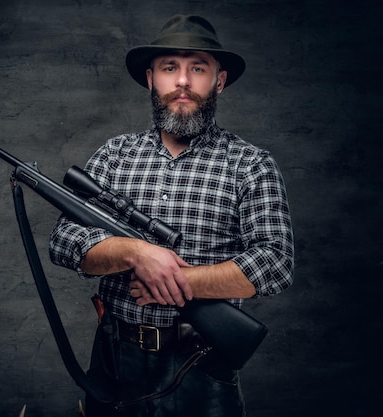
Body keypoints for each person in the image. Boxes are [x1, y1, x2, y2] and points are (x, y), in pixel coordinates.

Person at [49, 14, 294, 417]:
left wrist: (179, 280)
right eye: (169, 68)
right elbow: (63, 241)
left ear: (219, 80)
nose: (182, 81)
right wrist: (135, 253)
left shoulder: (250, 164)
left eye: (197, 68)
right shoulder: (114, 155)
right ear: (151, 79)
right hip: (115, 358)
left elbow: (275, 263)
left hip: (201, 363)